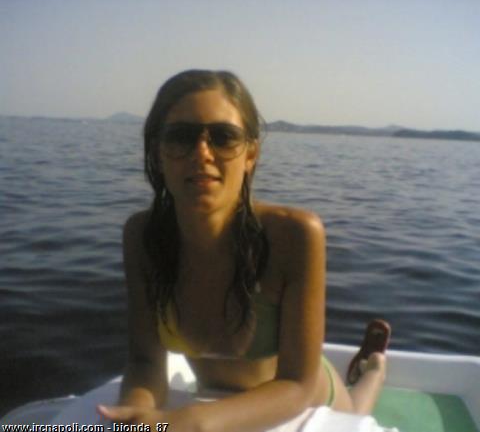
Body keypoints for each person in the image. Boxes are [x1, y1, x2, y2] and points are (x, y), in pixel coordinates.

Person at [98, 69, 390, 432]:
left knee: (358, 407)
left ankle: (374, 370)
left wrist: (192, 422)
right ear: (158, 152)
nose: (202, 153)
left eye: (223, 137)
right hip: (217, 406)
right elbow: (144, 362)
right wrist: (133, 417)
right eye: (181, 136)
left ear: (251, 153)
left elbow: (297, 385)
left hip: (311, 405)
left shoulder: (295, 235)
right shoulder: (142, 237)